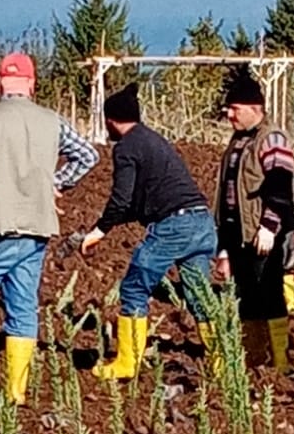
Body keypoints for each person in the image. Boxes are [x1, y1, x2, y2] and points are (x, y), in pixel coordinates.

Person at [0, 51, 98, 403]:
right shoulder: (52, 121)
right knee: (22, 309)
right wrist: (56, 184)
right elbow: (88, 155)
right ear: (32, 85)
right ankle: (16, 393)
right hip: (35, 232)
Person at [79, 80, 216, 377]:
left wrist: (100, 230)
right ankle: (220, 361)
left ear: (111, 120)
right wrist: (106, 227)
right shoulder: (153, 140)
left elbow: (121, 198)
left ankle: (127, 363)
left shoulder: (126, 147)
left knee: (134, 288)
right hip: (203, 222)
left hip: (174, 226)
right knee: (199, 295)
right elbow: (139, 203)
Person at [212, 66, 294, 369]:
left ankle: (280, 362)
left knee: (270, 295)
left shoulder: (272, 139)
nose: (229, 115)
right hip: (238, 234)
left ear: (254, 108)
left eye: (234, 109)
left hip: (262, 234)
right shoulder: (237, 142)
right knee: (247, 298)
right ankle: (254, 358)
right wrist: (223, 245)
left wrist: (269, 226)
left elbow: (279, 184)